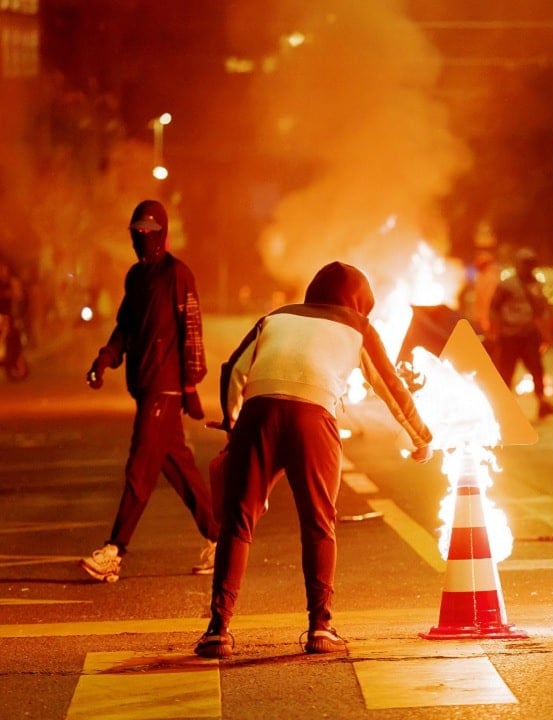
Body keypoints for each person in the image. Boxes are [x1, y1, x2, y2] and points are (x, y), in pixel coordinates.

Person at [196, 261, 434, 658]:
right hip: (313, 419)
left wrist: (233, 425)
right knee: (318, 523)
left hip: (258, 414)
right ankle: (320, 628)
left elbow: (233, 370)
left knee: (238, 521)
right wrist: (420, 437)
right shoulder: (358, 326)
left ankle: (217, 630)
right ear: (360, 302)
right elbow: (389, 385)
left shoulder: (276, 317)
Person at [80, 199, 219, 582]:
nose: (143, 237)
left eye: (149, 231)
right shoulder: (137, 278)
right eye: (137, 231)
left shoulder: (178, 275)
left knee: (140, 467)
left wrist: (190, 383)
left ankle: (115, 550)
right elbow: (126, 327)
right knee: (180, 469)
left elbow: (192, 330)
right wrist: (105, 358)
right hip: (146, 386)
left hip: (165, 389)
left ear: (163, 233)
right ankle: (219, 538)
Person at [488, 248, 553, 419]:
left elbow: (541, 310)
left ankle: (542, 401)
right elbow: (494, 308)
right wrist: (495, 331)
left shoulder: (536, 285)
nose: (529, 267)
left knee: (537, 369)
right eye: (526, 264)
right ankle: (502, 407)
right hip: (510, 334)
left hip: (529, 334)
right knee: (506, 371)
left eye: (531, 264)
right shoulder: (507, 285)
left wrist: (546, 334)